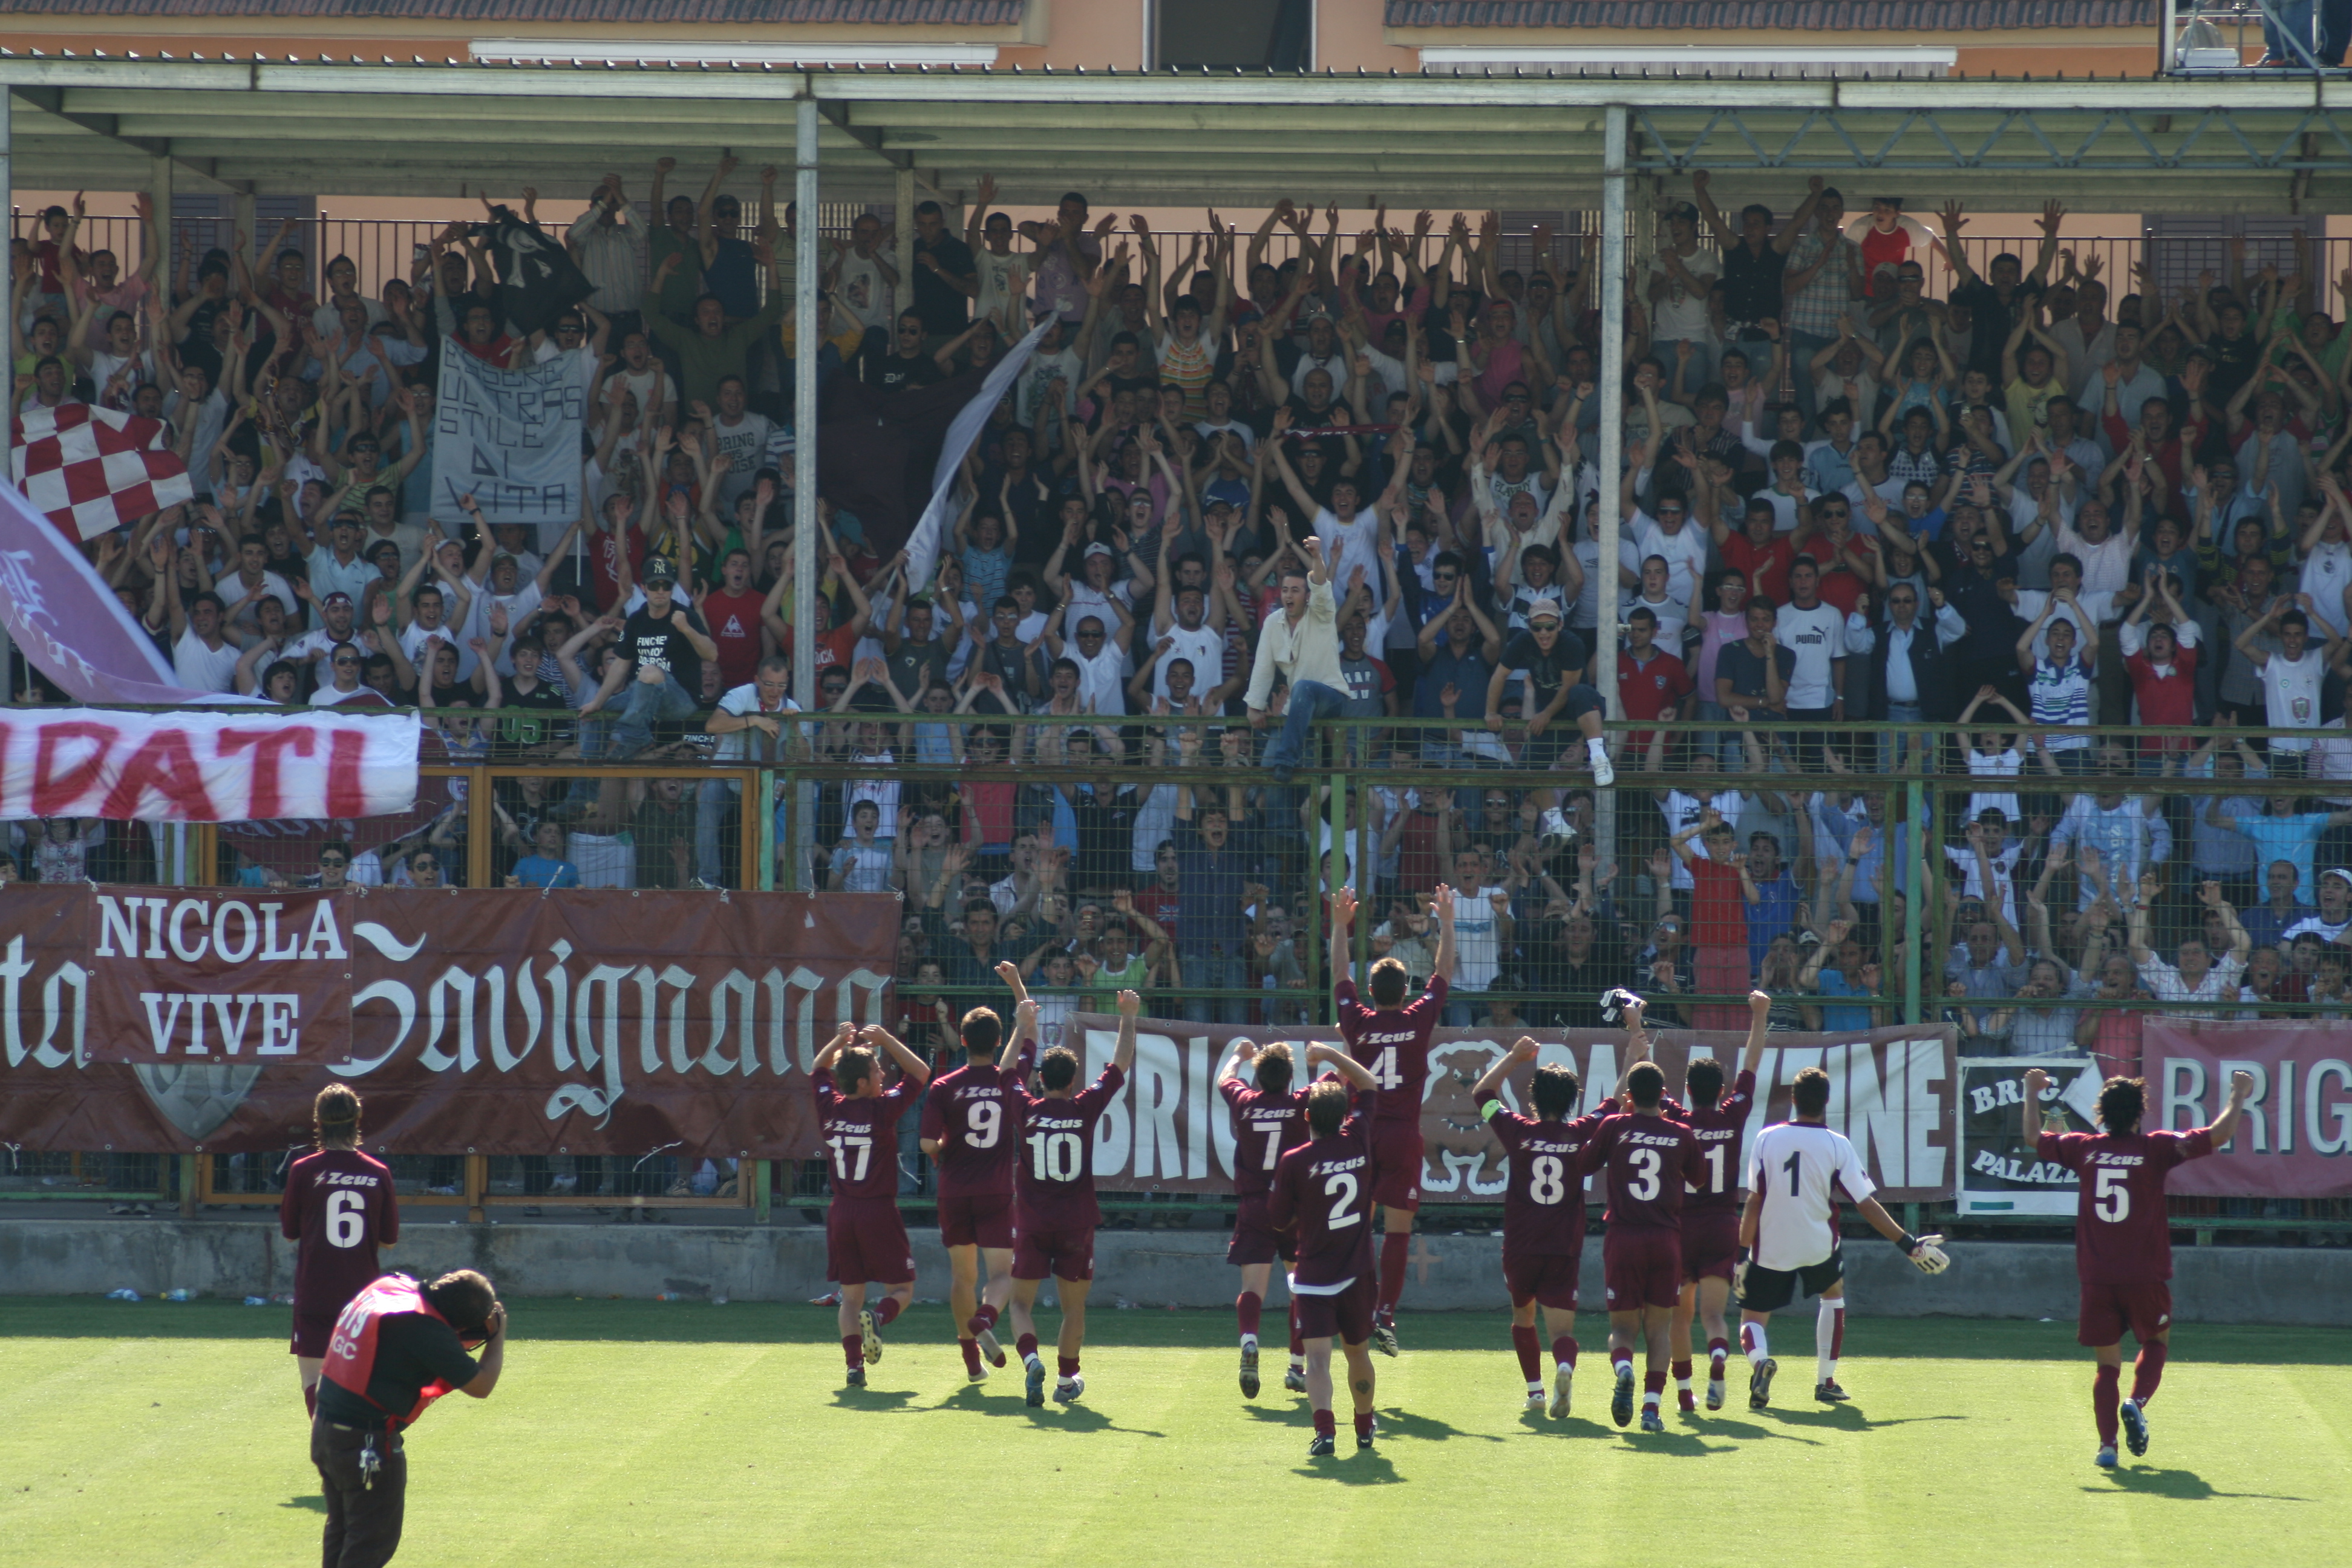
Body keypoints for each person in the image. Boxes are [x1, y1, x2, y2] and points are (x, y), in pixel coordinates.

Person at [2021, 1065, 2254, 1468]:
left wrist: (2030, 1092)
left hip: (2097, 1276)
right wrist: (2238, 1095)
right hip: (2145, 1274)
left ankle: (2107, 1446)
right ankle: (2137, 1402)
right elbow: (2219, 1135)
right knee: (2157, 1342)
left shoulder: (2083, 1148)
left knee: (2106, 1365)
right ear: (2139, 1114)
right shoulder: (2156, 1148)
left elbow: (2032, 1138)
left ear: (2101, 1113)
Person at [1737, 1066, 1950, 1410]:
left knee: (1752, 1318)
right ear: (1827, 1102)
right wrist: (1907, 1243)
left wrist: (1740, 1252)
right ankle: (1826, 1381)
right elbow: (1865, 1204)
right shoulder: (1837, 1144)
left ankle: (1761, 1362)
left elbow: (1755, 1199)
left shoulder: (1767, 1138)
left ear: (1792, 1100)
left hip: (1771, 1243)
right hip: (1818, 1242)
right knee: (1832, 1296)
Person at [1330, 881, 1457, 1357]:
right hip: (1403, 1134)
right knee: (1398, 1230)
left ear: (1371, 991)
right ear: (1406, 991)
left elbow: (1338, 971)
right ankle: (1385, 1313)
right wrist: (1445, 920)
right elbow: (1444, 970)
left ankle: (1355, 1304)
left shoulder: (1357, 1022)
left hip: (1361, 1132)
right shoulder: (1417, 1019)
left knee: (1357, 1226)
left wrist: (1342, 926)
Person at [1001, 980, 1140, 1407]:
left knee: (1020, 1304)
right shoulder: (1084, 1107)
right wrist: (1129, 1016)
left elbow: (1005, 1073)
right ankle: (1066, 1380)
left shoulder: (1026, 1108)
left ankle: (1030, 1361)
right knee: (1073, 1308)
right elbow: (1120, 1063)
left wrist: (1021, 1025)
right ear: (1074, 1079)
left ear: (1040, 1079)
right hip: (1076, 1221)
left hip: (1033, 1221)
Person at [312, 1267, 505, 1568]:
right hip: (367, 1442)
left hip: (326, 1429)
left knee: (343, 1529)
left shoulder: (389, 1285)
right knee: (370, 1543)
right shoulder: (424, 1329)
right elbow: (482, 1386)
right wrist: (497, 1336)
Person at [1576, 999, 1707, 1433]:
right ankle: (1652, 1409)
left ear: (1629, 1097)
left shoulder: (1614, 1126)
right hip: (1666, 1239)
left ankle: (1622, 1371)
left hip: (1624, 1236)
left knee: (1622, 1328)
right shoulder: (1681, 1133)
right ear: (1664, 1097)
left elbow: (1583, 1165)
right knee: (1659, 1328)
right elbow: (1701, 1181)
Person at [1470, 1032, 1605, 1418]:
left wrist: (1514, 1056)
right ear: (1570, 1101)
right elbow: (1613, 1104)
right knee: (1562, 1331)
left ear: (1534, 1097)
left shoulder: (1519, 1132)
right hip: (1563, 1245)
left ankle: (1536, 1392)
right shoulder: (1581, 1132)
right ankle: (1565, 1366)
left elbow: (1482, 1094)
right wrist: (1633, 1051)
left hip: (1521, 1245)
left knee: (1522, 1317)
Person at [1264, 1044, 1383, 1458]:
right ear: (1347, 1114)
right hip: (1358, 1269)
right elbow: (1369, 1083)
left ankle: (1325, 1433)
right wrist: (1333, 1055)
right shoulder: (1359, 1137)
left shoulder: (1295, 1160)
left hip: (1315, 1274)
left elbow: (1278, 1221)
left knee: (1317, 1359)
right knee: (1358, 1353)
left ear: (1308, 1117)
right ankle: (1365, 1426)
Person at [917, 964, 1034, 1383]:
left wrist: (950, 1145)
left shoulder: (944, 1086)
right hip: (996, 1190)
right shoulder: (1011, 1079)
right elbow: (1030, 1025)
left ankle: (972, 1364)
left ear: (962, 1041)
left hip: (954, 1191)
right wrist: (1017, 985)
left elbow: (928, 1145)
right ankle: (985, 1317)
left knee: (961, 1277)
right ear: (1000, 1041)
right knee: (1002, 1274)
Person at [1665, 991, 1771, 1413]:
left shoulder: (1676, 1116)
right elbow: (1752, 1063)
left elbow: (1645, 1084)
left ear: (1688, 1091)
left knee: (1679, 1315)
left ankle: (1685, 1393)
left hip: (1682, 1227)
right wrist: (1759, 1016)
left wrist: (1636, 1032)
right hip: (1723, 1225)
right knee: (1714, 1315)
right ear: (1722, 1090)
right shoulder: (1732, 1115)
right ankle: (1721, 1355)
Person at [812, 1019, 931, 1387]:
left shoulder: (829, 1105)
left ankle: (853, 1366)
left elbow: (818, 1068)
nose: (883, 1073)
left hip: (842, 1212)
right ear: (863, 1084)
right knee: (902, 1290)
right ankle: (879, 1317)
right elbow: (921, 1072)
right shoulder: (882, 1109)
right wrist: (888, 1040)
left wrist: (837, 1039)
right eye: (876, 1070)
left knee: (850, 1299)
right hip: (878, 1210)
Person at [280, 1085, 397, 1419]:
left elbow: (290, 1233)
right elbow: (389, 1240)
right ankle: (364, 1449)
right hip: (362, 1298)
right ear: (358, 1120)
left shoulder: (303, 1170)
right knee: (363, 1381)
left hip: (315, 1293)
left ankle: (329, 1456)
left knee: (313, 1382)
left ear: (317, 1121)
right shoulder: (378, 1173)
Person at [1219, 1035, 1310, 1399]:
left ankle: (1250, 1341)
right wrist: (1331, 1052)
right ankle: (1296, 1365)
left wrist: (1239, 1055)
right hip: (1295, 1208)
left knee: (1252, 1288)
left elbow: (1225, 1080)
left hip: (1256, 1206)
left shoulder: (1245, 1101)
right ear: (1290, 1077)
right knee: (1299, 1286)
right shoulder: (1302, 1101)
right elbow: (1342, 1079)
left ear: (1259, 1078)